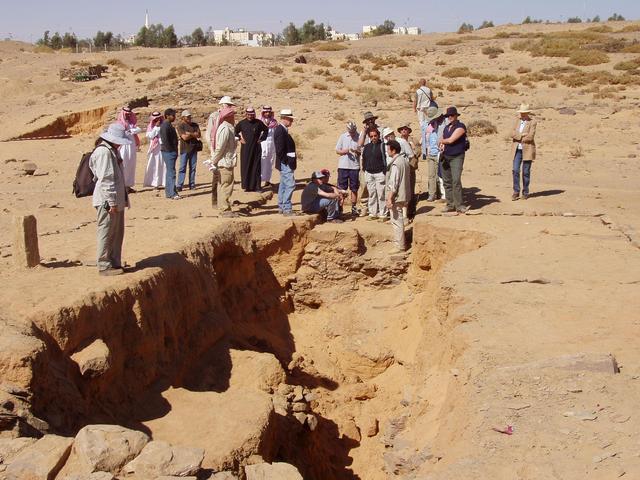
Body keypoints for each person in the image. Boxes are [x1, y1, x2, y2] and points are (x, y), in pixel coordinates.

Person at [89, 123, 131, 276]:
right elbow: (106, 179)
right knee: (106, 231)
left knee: (117, 232)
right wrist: (111, 202)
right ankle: (104, 264)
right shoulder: (104, 152)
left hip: (116, 199)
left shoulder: (112, 151)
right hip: (107, 200)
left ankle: (114, 261)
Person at [439, 106, 469, 214]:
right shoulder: (447, 127)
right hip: (446, 156)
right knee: (447, 181)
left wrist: (442, 141)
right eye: (448, 116)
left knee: (456, 180)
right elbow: (444, 141)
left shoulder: (461, 126)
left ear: (456, 115)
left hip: (457, 156)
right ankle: (450, 204)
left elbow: (451, 140)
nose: (450, 117)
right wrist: (442, 144)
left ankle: (459, 205)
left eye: (452, 115)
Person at [210, 104, 237, 217]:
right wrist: (213, 160)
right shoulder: (225, 128)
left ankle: (224, 207)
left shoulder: (228, 128)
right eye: (233, 116)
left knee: (224, 185)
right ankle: (225, 209)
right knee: (226, 185)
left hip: (227, 160)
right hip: (225, 161)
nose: (234, 118)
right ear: (228, 117)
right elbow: (220, 147)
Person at [385, 140, 411, 253]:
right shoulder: (404, 160)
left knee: (396, 221)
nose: (387, 151)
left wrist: (390, 198)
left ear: (393, 150)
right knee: (399, 219)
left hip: (397, 196)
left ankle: (399, 246)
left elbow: (393, 183)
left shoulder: (396, 164)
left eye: (388, 149)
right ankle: (400, 244)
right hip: (403, 194)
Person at [236, 106, 268, 192]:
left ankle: (257, 186)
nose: (250, 116)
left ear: (254, 114)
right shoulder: (242, 123)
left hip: (256, 148)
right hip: (246, 149)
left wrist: (261, 139)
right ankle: (247, 186)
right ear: (246, 114)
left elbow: (266, 130)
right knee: (246, 166)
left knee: (256, 167)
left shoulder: (258, 123)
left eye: (252, 114)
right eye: (248, 114)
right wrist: (239, 138)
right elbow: (234, 131)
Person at [511, 103, 537, 200]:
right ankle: (516, 191)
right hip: (517, 149)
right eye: (521, 112)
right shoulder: (516, 120)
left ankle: (525, 192)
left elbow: (530, 136)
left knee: (526, 172)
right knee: (515, 170)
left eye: (524, 112)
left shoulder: (533, 122)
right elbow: (511, 133)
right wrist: (521, 135)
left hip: (527, 150)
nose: (522, 114)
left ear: (528, 113)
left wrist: (518, 136)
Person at [274, 109, 297, 216]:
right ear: (285, 119)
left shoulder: (282, 130)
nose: (291, 122)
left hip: (285, 162)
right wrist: (286, 161)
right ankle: (286, 207)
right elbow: (279, 150)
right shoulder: (280, 130)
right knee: (290, 185)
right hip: (285, 163)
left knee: (283, 185)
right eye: (290, 119)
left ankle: (282, 206)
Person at [335, 121, 361, 217]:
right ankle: (340, 207)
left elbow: (362, 150)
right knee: (341, 188)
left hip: (354, 166)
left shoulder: (359, 137)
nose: (352, 133)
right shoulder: (343, 136)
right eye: (350, 131)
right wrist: (344, 151)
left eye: (353, 131)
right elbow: (337, 150)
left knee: (354, 188)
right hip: (343, 166)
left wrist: (357, 151)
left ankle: (354, 207)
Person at [361, 128, 387, 221]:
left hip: (380, 173)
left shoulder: (383, 146)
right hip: (369, 173)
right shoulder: (367, 147)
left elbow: (386, 159)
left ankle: (383, 214)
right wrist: (365, 168)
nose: (373, 138)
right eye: (371, 136)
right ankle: (373, 213)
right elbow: (363, 158)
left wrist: (384, 170)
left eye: (375, 136)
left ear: (378, 136)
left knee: (381, 194)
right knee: (372, 194)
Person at [116, 106, 141, 194]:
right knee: (124, 165)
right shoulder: (119, 123)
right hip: (123, 147)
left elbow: (138, 129)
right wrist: (129, 131)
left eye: (129, 114)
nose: (128, 116)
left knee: (131, 165)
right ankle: (122, 186)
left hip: (131, 146)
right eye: (126, 114)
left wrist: (132, 130)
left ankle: (128, 186)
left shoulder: (131, 123)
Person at [397, 124, 419, 219]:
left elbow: (418, 151)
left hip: (411, 167)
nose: (404, 131)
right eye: (402, 129)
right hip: (400, 168)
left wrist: (412, 149)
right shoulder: (397, 141)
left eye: (406, 129)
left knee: (410, 188)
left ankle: (411, 210)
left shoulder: (413, 140)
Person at [175, 110, 201, 191]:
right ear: (183, 117)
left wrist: (190, 134)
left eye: (190, 116)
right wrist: (193, 134)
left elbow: (199, 135)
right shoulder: (180, 126)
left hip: (194, 149)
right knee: (182, 168)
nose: (189, 118)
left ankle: (192, 184)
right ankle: (179, 185)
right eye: (187, 117)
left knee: (193, 168)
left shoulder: (195, 125)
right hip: (185, 149)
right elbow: (184, 137)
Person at [424, 107, 445, 201]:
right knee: (431, 175)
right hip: (430, 153)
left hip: (439, 153)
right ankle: (432, 194)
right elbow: (426, 139)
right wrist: (425, 152)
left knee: (440, 175)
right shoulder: (428, 126)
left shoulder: (443, 124)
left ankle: (442, 194)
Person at [160, 108, 180, 200]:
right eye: (173, 115)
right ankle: (172, 193)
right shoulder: (165, 126)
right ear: (167, 116)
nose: (174, 117)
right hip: (169, 152)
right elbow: (165, 140)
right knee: (172, 172)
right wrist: (172, 150)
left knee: (169, 172)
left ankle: (169, 192)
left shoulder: (168, 125)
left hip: (169, 151)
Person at [143, 111, 165, 188]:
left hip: (162, 147)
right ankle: (154, 183)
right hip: (154, 148)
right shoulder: (151, 126)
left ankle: (163, 182)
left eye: (158, 118)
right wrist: (156, 127)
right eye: (156, 119)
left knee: (163, 164)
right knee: (155, 164)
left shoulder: (164, 125)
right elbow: (150, 136)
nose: (158, 120)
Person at [260, 105, 278, 188]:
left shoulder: (274, 122)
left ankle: (267, 180)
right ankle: (259, 181)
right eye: (266, 112)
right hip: (262, 144)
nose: (267, 114)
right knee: (262, 161)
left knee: (270, 161)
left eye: (269, 112)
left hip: (272, 144)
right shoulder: (259, 122)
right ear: (263, 113)